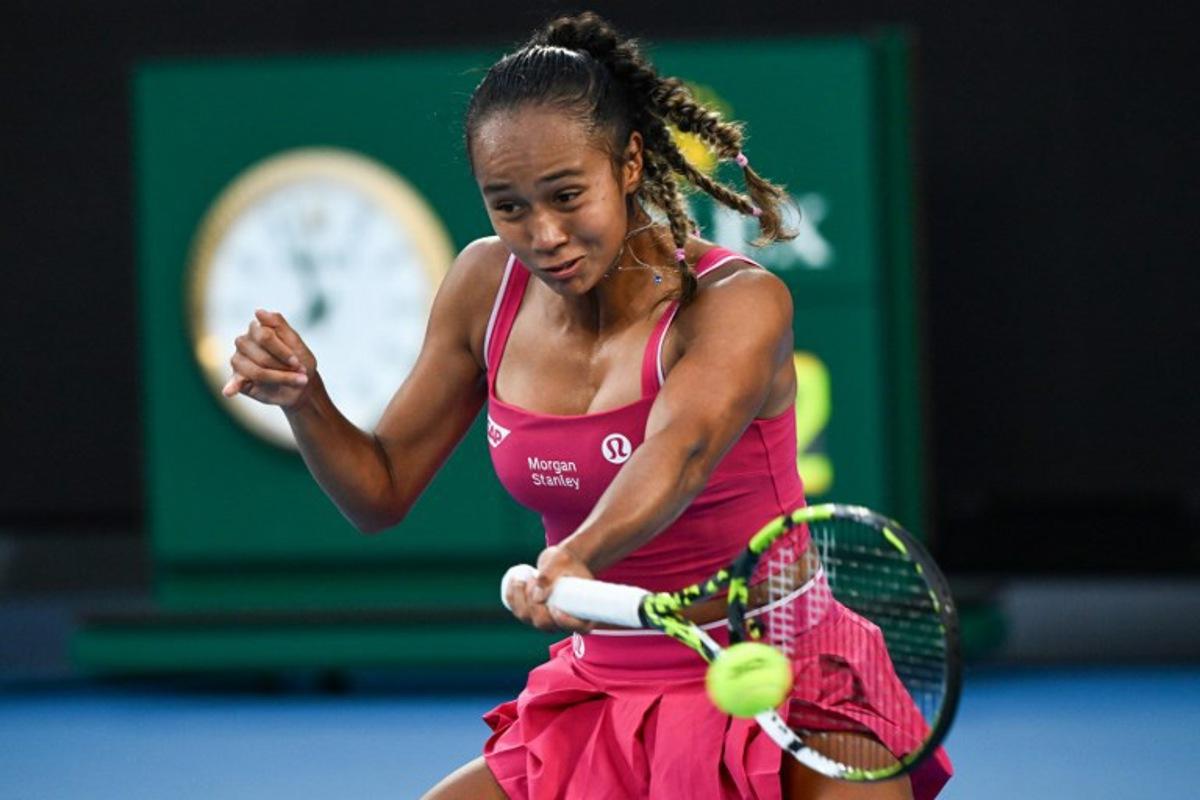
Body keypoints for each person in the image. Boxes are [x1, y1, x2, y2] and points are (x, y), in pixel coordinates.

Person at [222, 12, 951, 800]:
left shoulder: (737, 302)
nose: (544, 235)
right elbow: (380, 490)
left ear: (630, 162)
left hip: (783, 681)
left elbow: (682, 451)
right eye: (508, 206)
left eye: (568, 195)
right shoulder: (481, 287)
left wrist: (578, 555)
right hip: (603, 690)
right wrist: (307, 400)